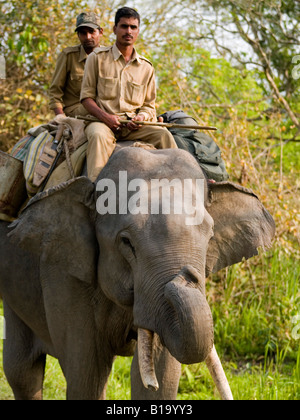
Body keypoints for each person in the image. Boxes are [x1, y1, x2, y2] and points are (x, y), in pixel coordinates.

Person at [80, 7, 177, 182]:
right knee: (97, 136)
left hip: (133, 127)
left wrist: (141, 118)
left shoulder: (146, 67)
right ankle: (93, 189)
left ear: (138, 31)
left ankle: (185, 179)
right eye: (124, 26)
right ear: (114, 29)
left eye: (133, 27)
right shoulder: (96, 58)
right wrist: (106, 117)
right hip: (102, 124)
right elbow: (86, 98)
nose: (128, 31)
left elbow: (149, 106)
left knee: (164, 135)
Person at [49, 12, 103, 117]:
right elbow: (55, 92)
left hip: (103, 110)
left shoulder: (108, 56)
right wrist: (61, 118)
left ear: (100, 32)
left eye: (92, 32)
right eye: (83, 33)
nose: (87, 37)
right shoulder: (68, 56)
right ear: (78, 35)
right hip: (77, 111)